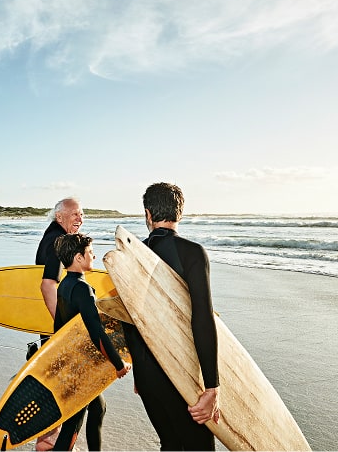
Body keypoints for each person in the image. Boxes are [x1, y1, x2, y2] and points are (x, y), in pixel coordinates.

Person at [122, 182, 220, 451]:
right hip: (181, 372)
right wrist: (212, 387)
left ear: (148, 214)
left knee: (170, 443)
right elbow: (202, 319)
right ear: (180, 213)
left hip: (147, 373)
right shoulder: (192, 253)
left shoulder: (132, 255)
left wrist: (139, 373)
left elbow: (127, 317)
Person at [52, 233, 131, 451]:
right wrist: (118, 363)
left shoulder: (65, 285)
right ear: (78, 258)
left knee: (98, 408)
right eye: (90, 252)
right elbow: (96, 332)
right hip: (81, 366)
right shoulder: (82, 288)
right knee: (74, 421)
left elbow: (58, 327)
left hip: (72, 361)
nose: (94, 256)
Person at [34, 197, 85, 451]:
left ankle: (48, 440)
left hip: (46, 324)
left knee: (57, 383)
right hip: (55, 326)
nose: (80, 219)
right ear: (59, 217)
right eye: (74, 214)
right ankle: (49, 442)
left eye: (82, 214)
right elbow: (47, 285)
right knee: (71, 389)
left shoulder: (51, 236)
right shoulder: (58, 241)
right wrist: (63, 327)